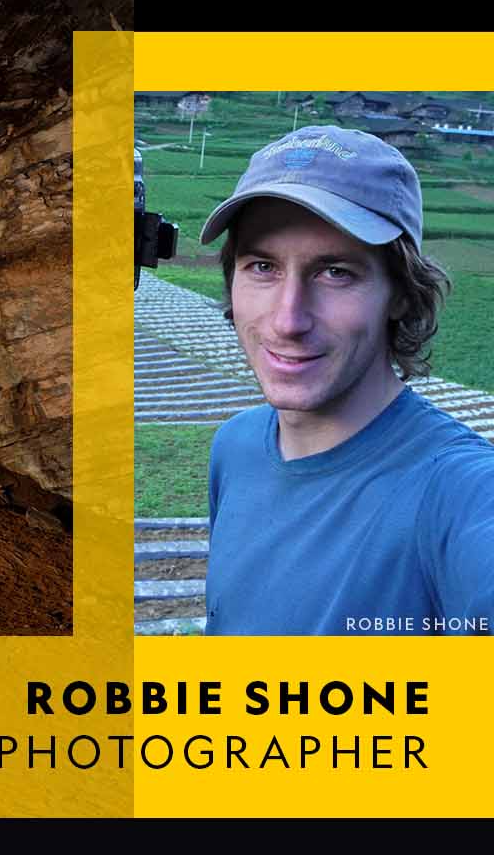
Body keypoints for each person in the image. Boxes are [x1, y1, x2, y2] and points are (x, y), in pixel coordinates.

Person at [198, 125, 492, 635]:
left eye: (336, 273)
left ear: (401, 293)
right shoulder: (235, 447)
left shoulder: (459, 490)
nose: (287, 320)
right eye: (262, 266)